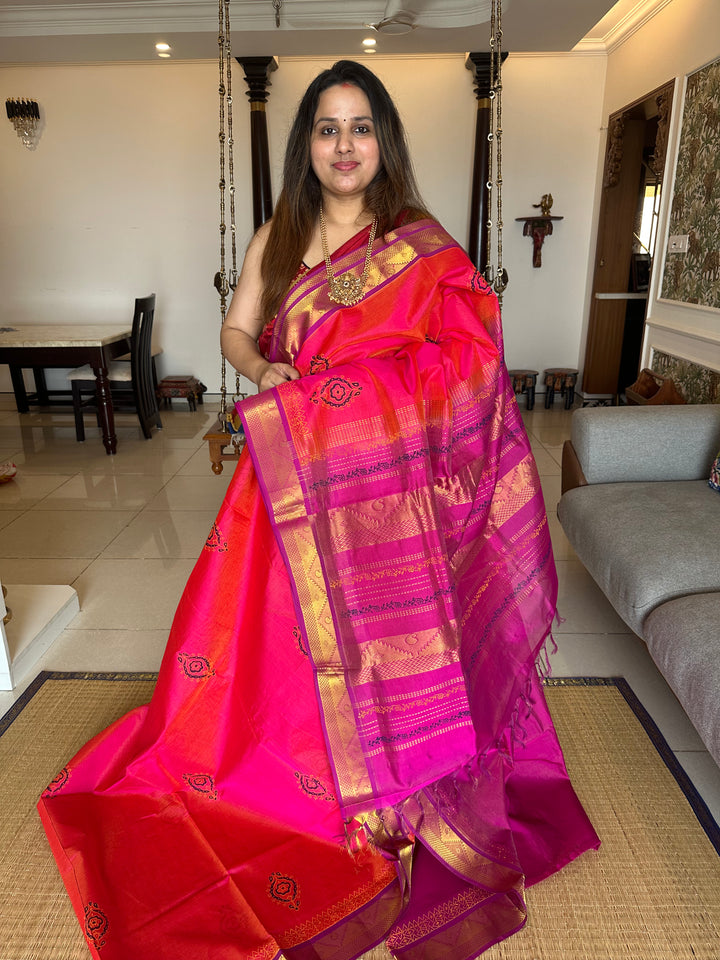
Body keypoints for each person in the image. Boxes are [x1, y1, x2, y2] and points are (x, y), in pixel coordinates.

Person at [39, 60, 599, 960]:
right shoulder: (280, 233)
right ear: (307, 143)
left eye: (362, 127)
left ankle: (396, 788)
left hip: (387, 502)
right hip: (289, 481)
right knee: (275, 647)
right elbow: (236, 329)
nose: (345, 145)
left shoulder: (420, 242)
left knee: (383, 642)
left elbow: (475, 362)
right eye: (328, 128)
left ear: (385, 142)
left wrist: (370, 404)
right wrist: (266, 372)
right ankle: (300, 784)